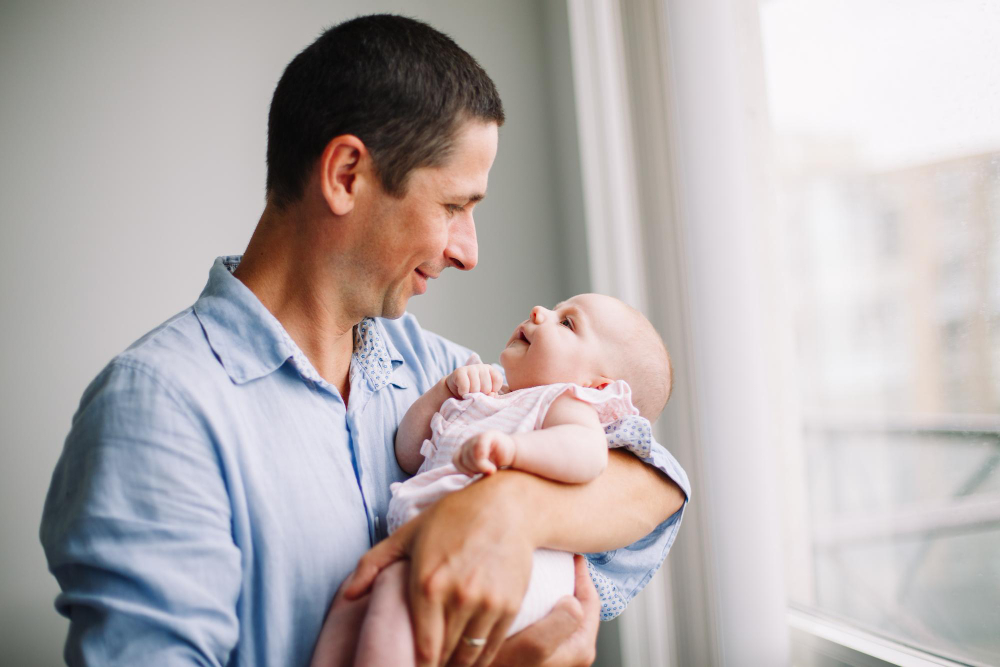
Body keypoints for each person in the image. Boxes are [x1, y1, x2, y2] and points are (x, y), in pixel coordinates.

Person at [40, 14, 688, 667]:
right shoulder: (158, 410)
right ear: (347, 173)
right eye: (455, 207)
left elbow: (653, 477)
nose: (469, 251)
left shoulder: (440, 371)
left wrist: (509, 507)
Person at [314, 294, 690, 666]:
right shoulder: (488, 392)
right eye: (556, 309)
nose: (539, 311)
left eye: (567, 323)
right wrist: (444, 392)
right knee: (354, 602)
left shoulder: (565, 402)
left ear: (598, 388)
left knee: (389, 610)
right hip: (433, 550)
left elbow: (587, 455)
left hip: (504, 569)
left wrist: (515, 450)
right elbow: (407, 452)